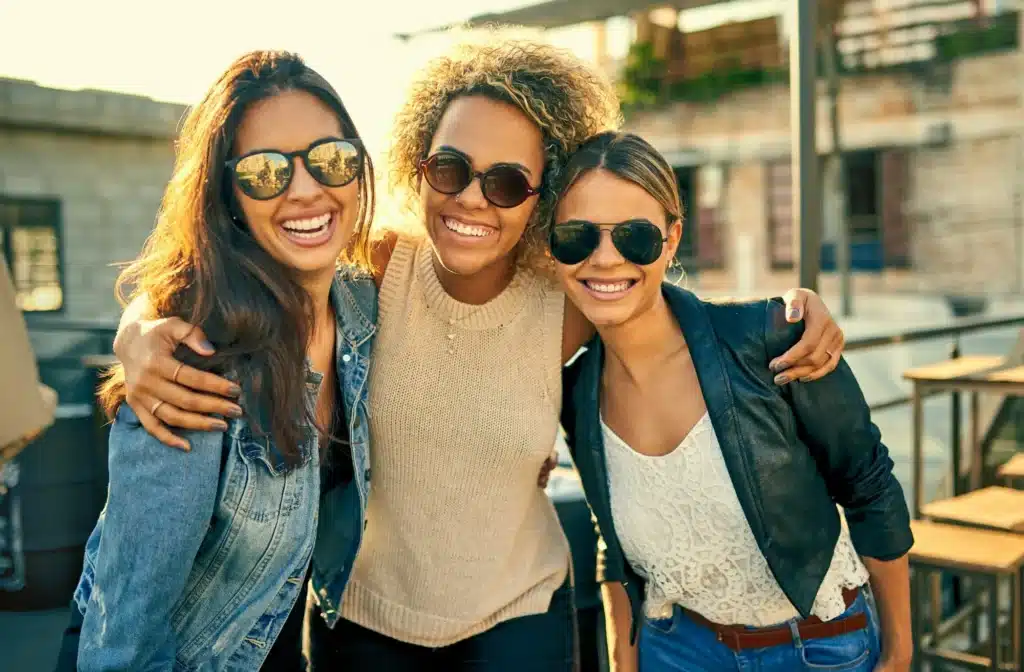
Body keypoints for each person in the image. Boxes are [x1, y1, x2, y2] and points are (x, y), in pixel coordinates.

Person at [109, 39, 847, 671]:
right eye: (451, 169)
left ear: (542, 195)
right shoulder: (374, 266)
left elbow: (661, 304)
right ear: (419, 162)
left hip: (519, 622)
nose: (472, 200)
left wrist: (791, 313)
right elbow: (260, 257)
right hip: (361, 626)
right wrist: (140, 325)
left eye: (506, 183)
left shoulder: (566, 301)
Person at [60, 49, 379, 670]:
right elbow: (127, 626)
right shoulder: (193, 360)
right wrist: (143, 325)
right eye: (265, 172)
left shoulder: (360, 304)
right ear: (227, 193)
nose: (307, 189)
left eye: (331, 159)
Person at [555, 131, 914, 672]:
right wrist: (622, 663)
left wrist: (899, 652)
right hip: (674, 651)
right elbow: (613, 541)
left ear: (672, 239)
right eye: (578, 235)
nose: (605, 259)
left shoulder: (772, 338)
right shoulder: (574, 392)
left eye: (635, 236)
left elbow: (870, 486)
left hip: (817, 650)